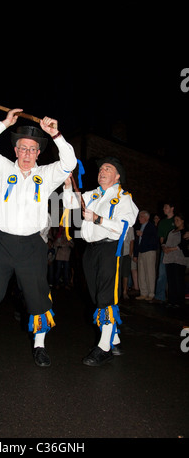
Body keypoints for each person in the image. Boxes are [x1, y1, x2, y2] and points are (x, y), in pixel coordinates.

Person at [0, 108, 77, 380]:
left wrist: (56, 134)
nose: (27, 153)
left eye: (32, 149)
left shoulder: (46, 175)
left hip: (32, 247)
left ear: (38, 153)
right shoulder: (1, 168)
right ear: (15, 151)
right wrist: (4, 123)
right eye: (22, 148)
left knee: (37, 298)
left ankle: (39, 346)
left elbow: (69, 163)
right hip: (0, 243)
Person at [63, 156, 138, 366]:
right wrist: (69, 185)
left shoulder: (123, 198)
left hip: (109, 249)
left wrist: (97, 219)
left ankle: (103, 348)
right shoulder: (92, 194)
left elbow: (123, 227)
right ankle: (114, 339)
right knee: (96, 296)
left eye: (108, 169)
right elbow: (69, 203)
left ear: (117, 176)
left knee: (106, 296)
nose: (102, 171)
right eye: (101, 169)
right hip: (90, 249)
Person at [163, 213, 188, 308]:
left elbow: (183, 244)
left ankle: (179, 301)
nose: (176, 222)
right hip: (169, 258)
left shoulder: (185, 231)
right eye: (175, 220)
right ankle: (171, 300)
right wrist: (164, 247)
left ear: (182, 221)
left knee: (179, 279)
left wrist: (171, 249)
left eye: (178, 220)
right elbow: (165, 241)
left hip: (179, 258)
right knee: (171, 280)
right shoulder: (171, 231)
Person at [134, 211, 158, 301]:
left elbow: (154, 239)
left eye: (141, 216)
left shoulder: (151, 227)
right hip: (141, 252)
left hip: (149, 252)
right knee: (141, 273)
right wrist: (136, 254)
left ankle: (151, 293)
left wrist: (143, 234)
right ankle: (143, 293)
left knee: (150, 273)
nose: (139, 218)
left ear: (147, 218)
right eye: (139, 216)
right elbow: (137, 242)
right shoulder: (139, 226)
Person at [155, 203, 175, 302]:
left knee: (174, 274)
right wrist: (163, 246)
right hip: (165, 250)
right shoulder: (162, 222)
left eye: (166, 207)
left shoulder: (176, 220)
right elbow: (161, 237)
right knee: (162, 274)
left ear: (172, 208)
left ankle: (173, 297)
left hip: (175, 251)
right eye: (163, 207)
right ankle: (160, 296)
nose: (164, 209)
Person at [121, 226, 134, 299]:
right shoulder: (116, 224)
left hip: (126, 253)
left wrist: (130, 253)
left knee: (125, 274)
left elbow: (132, 241)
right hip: (118, 254)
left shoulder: (130, 227)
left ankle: (125, 291)